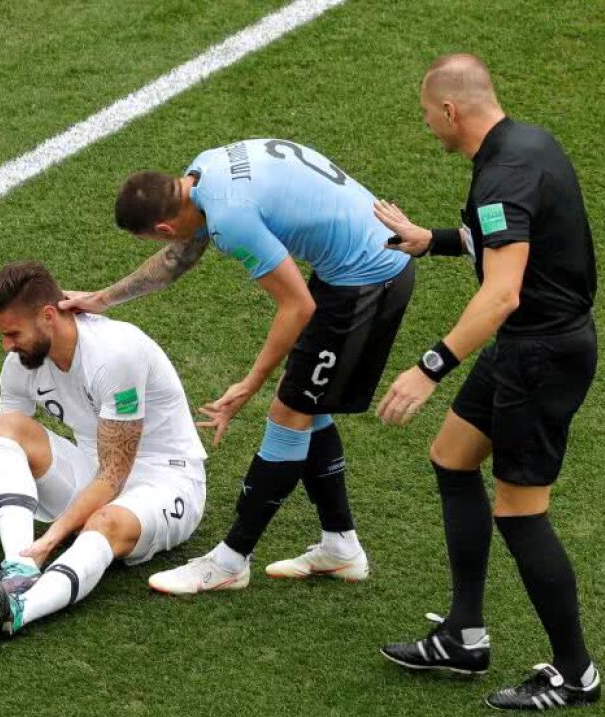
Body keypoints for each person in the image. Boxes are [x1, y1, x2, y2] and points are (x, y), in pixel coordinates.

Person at [60, 139, 414, 594]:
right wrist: (103, 299)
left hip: (370, 277)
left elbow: (296, 307)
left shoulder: (230, 219)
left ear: (164, 227)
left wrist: (249, 383)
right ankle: (340, 547)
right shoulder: (203, 167)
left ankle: (231, 560)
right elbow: (179, 258)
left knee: (288, 411)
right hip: (354, 263)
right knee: (306, 401)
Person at [374, 54, 602, 711]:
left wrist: (429, 366)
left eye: (427, 117)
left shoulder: (500, 174)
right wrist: (434, 240)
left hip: (541, 355)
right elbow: (508, 242)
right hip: (529, 344)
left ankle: (575, 673)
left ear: (451, 111)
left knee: (521, 513)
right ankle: (463, 635)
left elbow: (501, 294)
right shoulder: (527, 144)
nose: (428, 128)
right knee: (452, 458)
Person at [0, 261, 207, 642]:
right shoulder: (21, 364)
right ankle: (19, 570)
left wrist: (51, 539)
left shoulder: (114, 355)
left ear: (47, 316)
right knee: (3, 424)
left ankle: (20, 610)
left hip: (167, 482)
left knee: (104, 522)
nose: (7, 345)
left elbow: (113, 475)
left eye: (13, 333)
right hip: (93, 471)